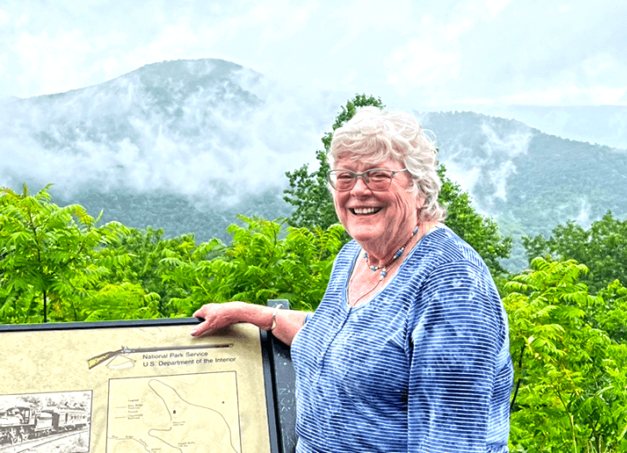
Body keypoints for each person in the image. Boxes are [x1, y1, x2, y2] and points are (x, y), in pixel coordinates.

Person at [191, 107, 514, 452]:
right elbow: (345, 342)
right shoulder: (354, 257)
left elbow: (450, 443)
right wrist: (252, 314)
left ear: (419, 188)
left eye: (377, 176)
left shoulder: (452, 284)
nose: (358, 190)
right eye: (344, 177)